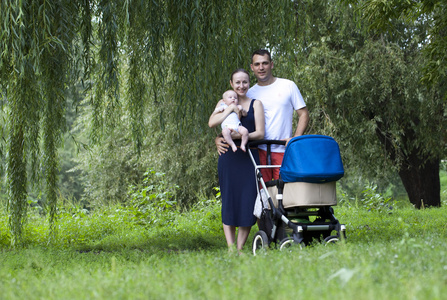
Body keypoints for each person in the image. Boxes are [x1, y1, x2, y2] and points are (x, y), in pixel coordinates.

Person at [216, 49, 309, 181]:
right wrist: (219, 138)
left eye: (265, 63)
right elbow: (233, 119)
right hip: (256, 152)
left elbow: (304, 114)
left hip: (282, 150)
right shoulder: (248, 93)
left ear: (271, 64)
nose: (261, 67)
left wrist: (295, 139)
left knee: (285, 194)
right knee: (262, 196)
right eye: (257, 64)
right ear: (252, 67)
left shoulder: (288, 86)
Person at [208, 68, 265, 254]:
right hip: (229, 158)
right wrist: (230, 111)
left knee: (248, 200)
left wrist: (237, 137)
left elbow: (260, 133)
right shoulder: (223, 102)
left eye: (245, 82)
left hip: (248, 157)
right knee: (229, 199)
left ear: (249, 83)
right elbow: (212, 123)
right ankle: (231, 247)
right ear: (231, 84)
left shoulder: (256, 104)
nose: (241, 86)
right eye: (237, 82)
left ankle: (240, 248)